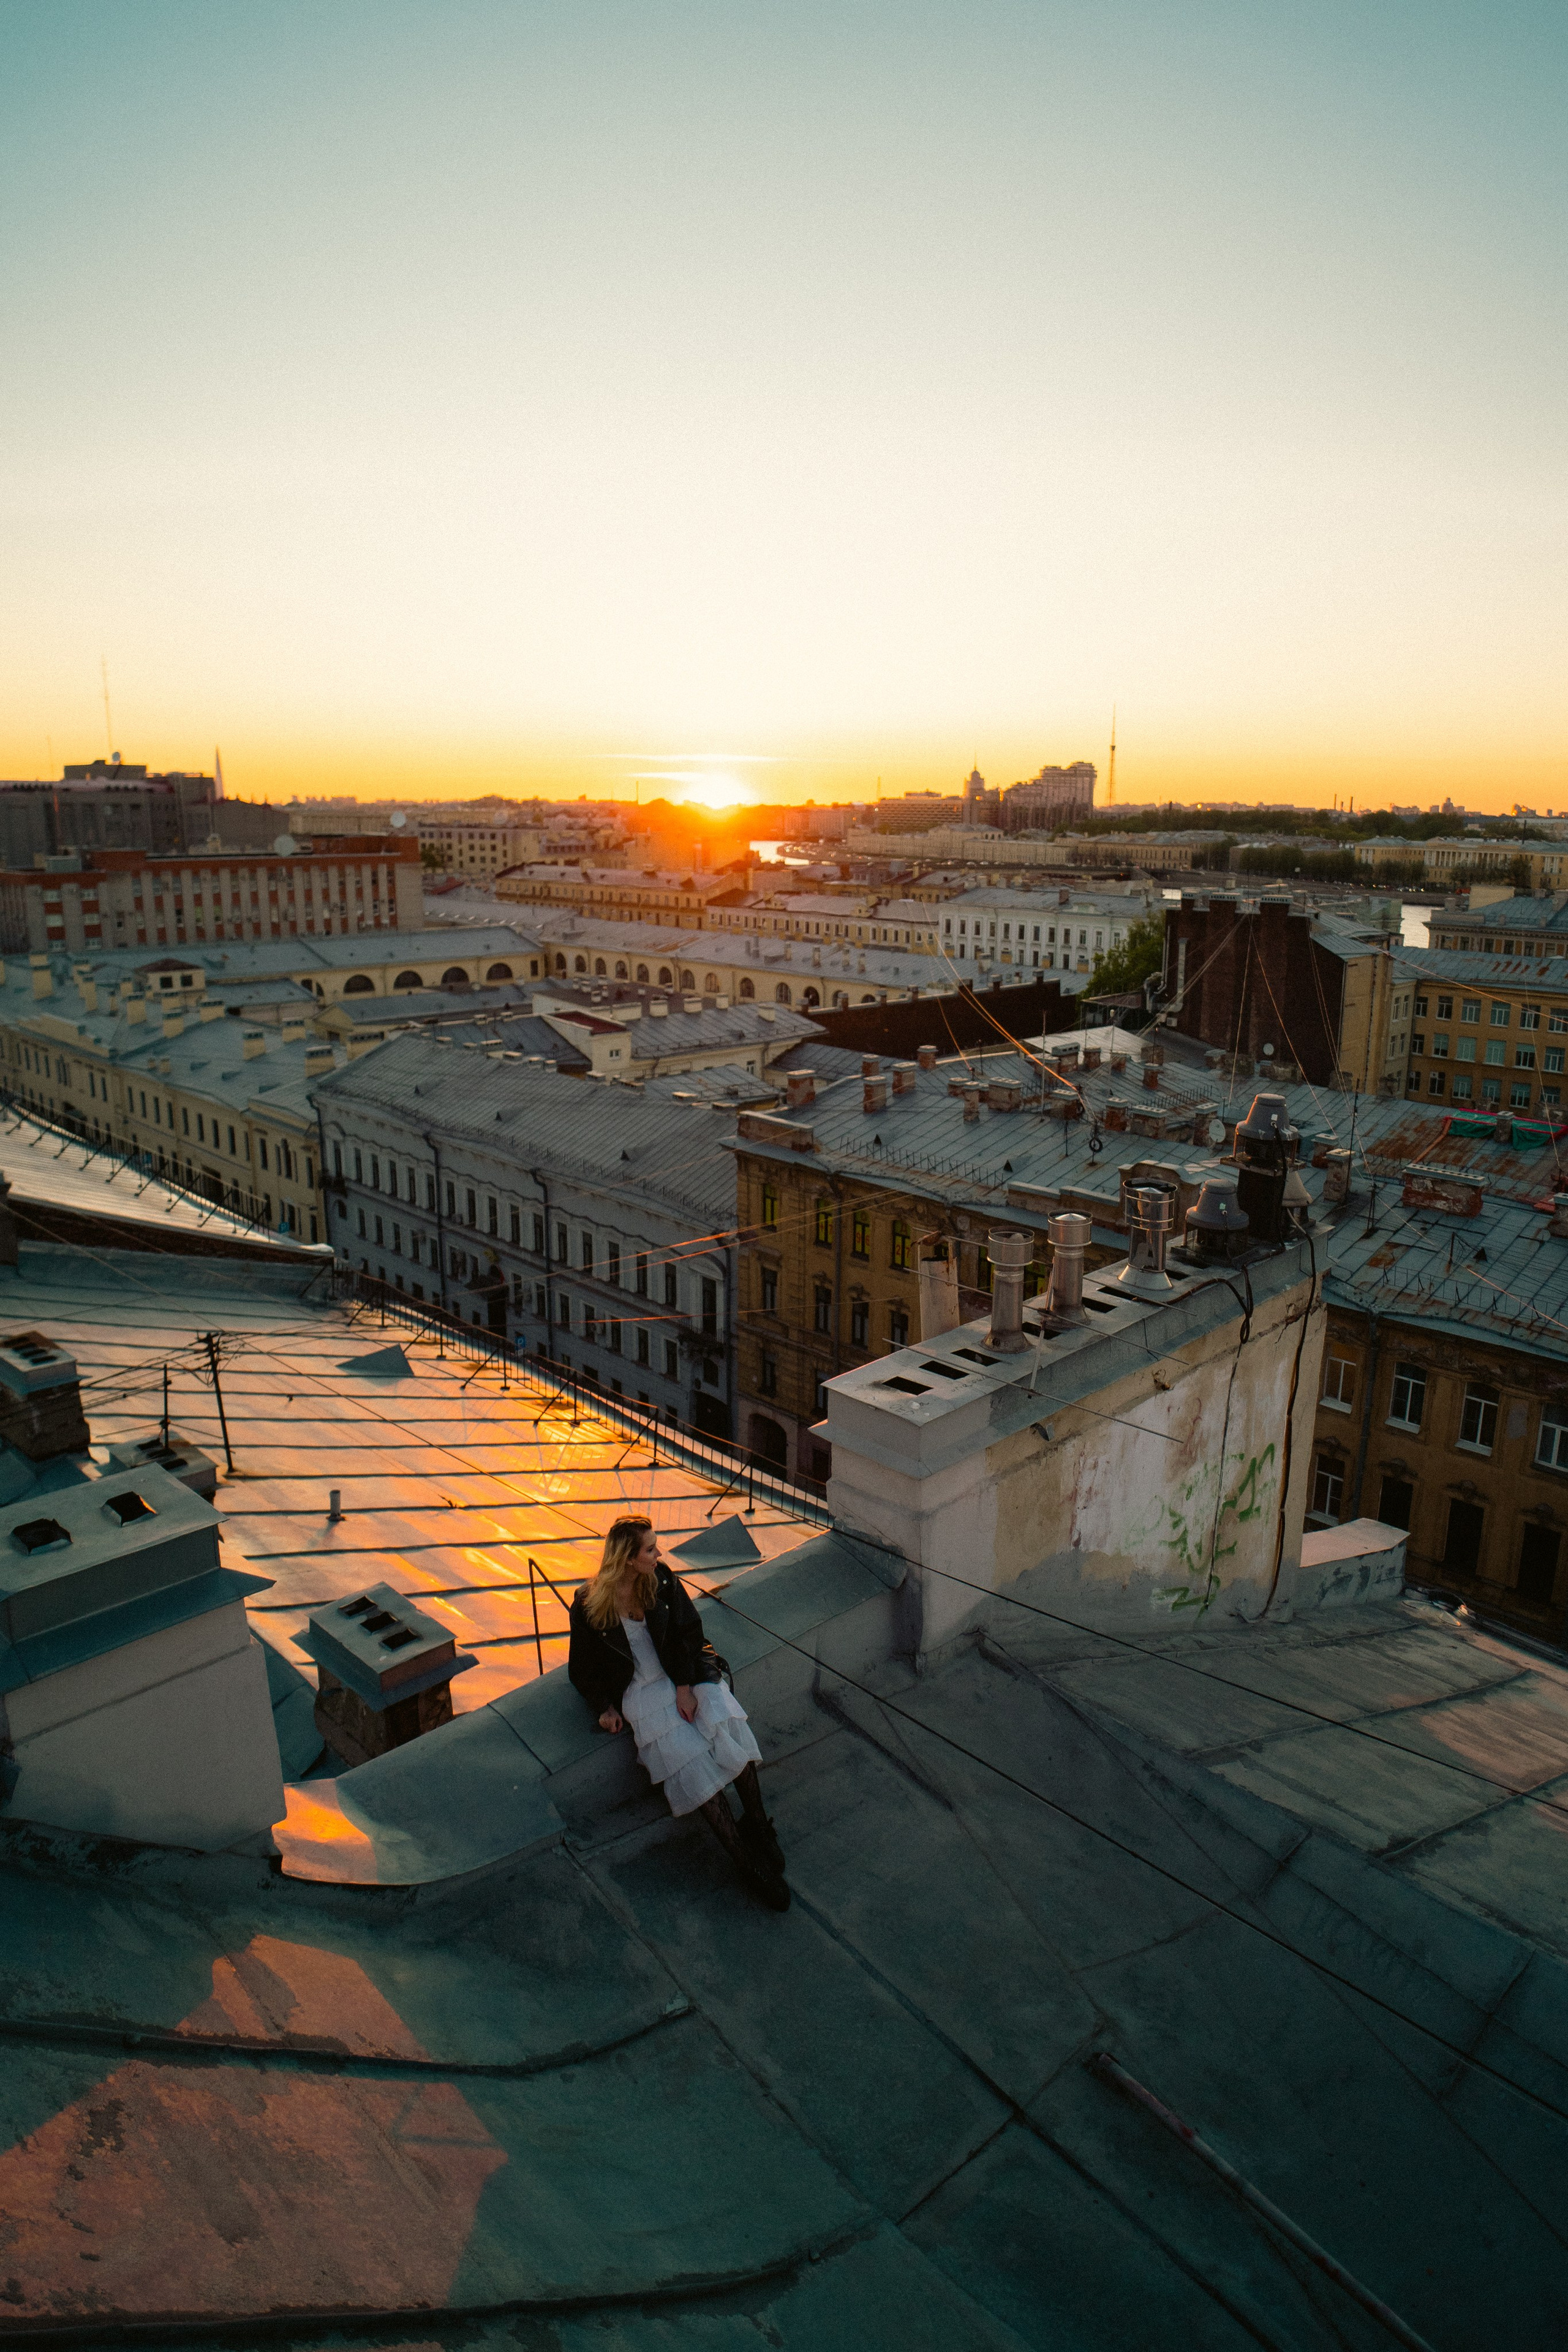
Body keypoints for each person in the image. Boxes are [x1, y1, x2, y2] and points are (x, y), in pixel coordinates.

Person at [568, 1515, 789, 1909]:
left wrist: (685, 1687)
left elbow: (690, 1634)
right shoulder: (588, 1603)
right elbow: (581, 1668)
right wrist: (603, 1707)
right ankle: (743, 1859)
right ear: (628, 1558)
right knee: (691, 1762)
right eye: (650, 1549)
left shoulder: (662, 1580)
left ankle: (758, 1825)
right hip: (641, 1691)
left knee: (725, 1724)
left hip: (683, 1671)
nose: (659, 1554)